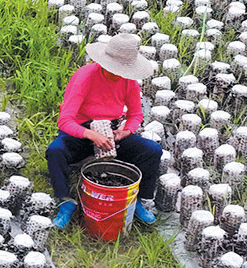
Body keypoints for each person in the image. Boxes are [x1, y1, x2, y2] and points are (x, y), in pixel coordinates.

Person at [47, 32, 163, 230]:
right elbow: (65, 120)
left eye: (122, 71)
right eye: (113, 70)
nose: (117, 75)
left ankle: (139, 201)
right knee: (55, 151)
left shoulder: (129, 83)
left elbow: (136, 114)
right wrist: (91, 135)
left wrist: (126, 131)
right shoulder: (84, 77)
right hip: (81, 131)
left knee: (152, 150)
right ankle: (65, 200)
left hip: (111, 130)